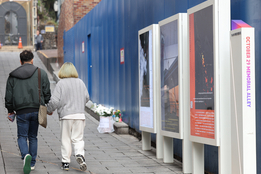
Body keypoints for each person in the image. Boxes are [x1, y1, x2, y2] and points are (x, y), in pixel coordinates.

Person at [5, 50, 51, 174]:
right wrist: (46, 103)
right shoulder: (41, 73)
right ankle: (32, 164)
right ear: (32, 60)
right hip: (37, 110)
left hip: (21, 111)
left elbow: (8, 96)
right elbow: (47, 92)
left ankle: (25, 155)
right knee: (33, 137)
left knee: (22, 136)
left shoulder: (13, 76)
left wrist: (10, 110)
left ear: (20, 61)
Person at [47, 62, 89, 171]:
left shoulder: (61, 84)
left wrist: (48, 110)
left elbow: (55, 101)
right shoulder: (81, 82)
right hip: (79, 115)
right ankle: (80, 155)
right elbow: (87, 98)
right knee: (78, 138)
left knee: (66, 139)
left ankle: (66, 162)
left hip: (66, 116)